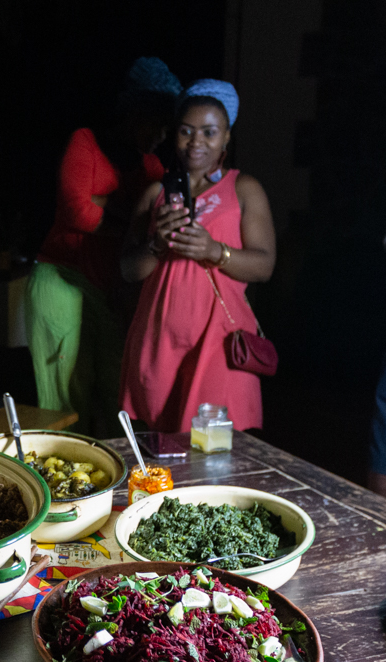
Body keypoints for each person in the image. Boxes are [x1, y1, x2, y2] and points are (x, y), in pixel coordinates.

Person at [25, 57, 182, 437]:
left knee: (116, 398)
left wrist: (105, 206)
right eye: (156, 120)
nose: (163, 133)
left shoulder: (152, 168)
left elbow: (150, 226)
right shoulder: (86, 142)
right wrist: (130, 222)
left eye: (168, 124)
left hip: (111, 292)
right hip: (61, 279)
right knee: (63, 401)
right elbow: (74, 211)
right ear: (133, 112)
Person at [118, 79, 276, 433]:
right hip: (160, 337)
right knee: (161, 449)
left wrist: (213, 250)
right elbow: (128, 269)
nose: (197, 142)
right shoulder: (156, 193)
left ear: (226, 137)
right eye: (187, 131)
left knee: (214, 449)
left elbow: (265, 265)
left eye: (209, 132)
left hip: (218, 340)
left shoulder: (244, 189)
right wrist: (158, 243)